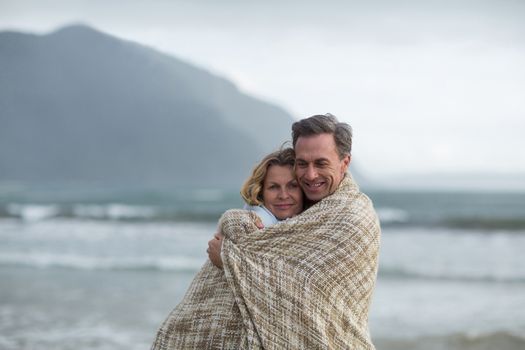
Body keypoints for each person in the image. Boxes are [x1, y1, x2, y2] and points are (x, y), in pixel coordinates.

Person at [153, 114, 381, 350]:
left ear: (345, 162)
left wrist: (230, 259)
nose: (310, 175)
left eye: (321, 163)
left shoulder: (354, 218)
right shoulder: (282, 218)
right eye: (302, 164)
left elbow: (304, 297)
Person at [151, 147, 304, 349]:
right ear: (261, 192)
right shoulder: (253, 222)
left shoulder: (302, 229)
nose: (283, 195)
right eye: (274, 187)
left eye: (292, 186)